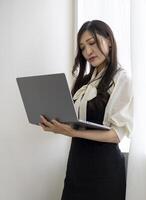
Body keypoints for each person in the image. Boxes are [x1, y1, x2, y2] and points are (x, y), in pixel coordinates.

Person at [39, 20, 132, 200]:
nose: (87, 52)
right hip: (77, 163)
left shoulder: (122, 79)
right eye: (82, 47)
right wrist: (56, 124)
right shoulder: (85, 81)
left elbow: (116, 135)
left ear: (109, 41)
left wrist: (73, 132)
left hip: (104, 169)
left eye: (91, 43)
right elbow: (76, 123)